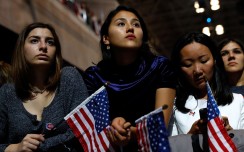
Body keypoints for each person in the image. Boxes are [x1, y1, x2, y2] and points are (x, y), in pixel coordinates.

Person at [83, 5, 176, 151]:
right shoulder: (94, 76)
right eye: (121, 23)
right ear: (106, 39)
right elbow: (94, 128)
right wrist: (113, 128)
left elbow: (160, 125)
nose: (130, 28)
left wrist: (130, 133)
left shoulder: (160, 67)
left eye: (136, 24)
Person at [0, 22, 89, 152]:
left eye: (50, 42)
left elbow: (82, 130)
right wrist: (15, 148)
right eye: (34, 41)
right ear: (22, 48)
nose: (43, 47)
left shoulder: (68, 79)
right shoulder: (7, 93)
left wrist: (39, 147)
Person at [169, 31, 244, 136]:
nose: (197, 70)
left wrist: (231, 133)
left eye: (204, 61)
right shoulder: (174, 106)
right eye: (188, 64)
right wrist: (191, 135)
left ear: (215, 60)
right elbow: (171, 145)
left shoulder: (238, 100)